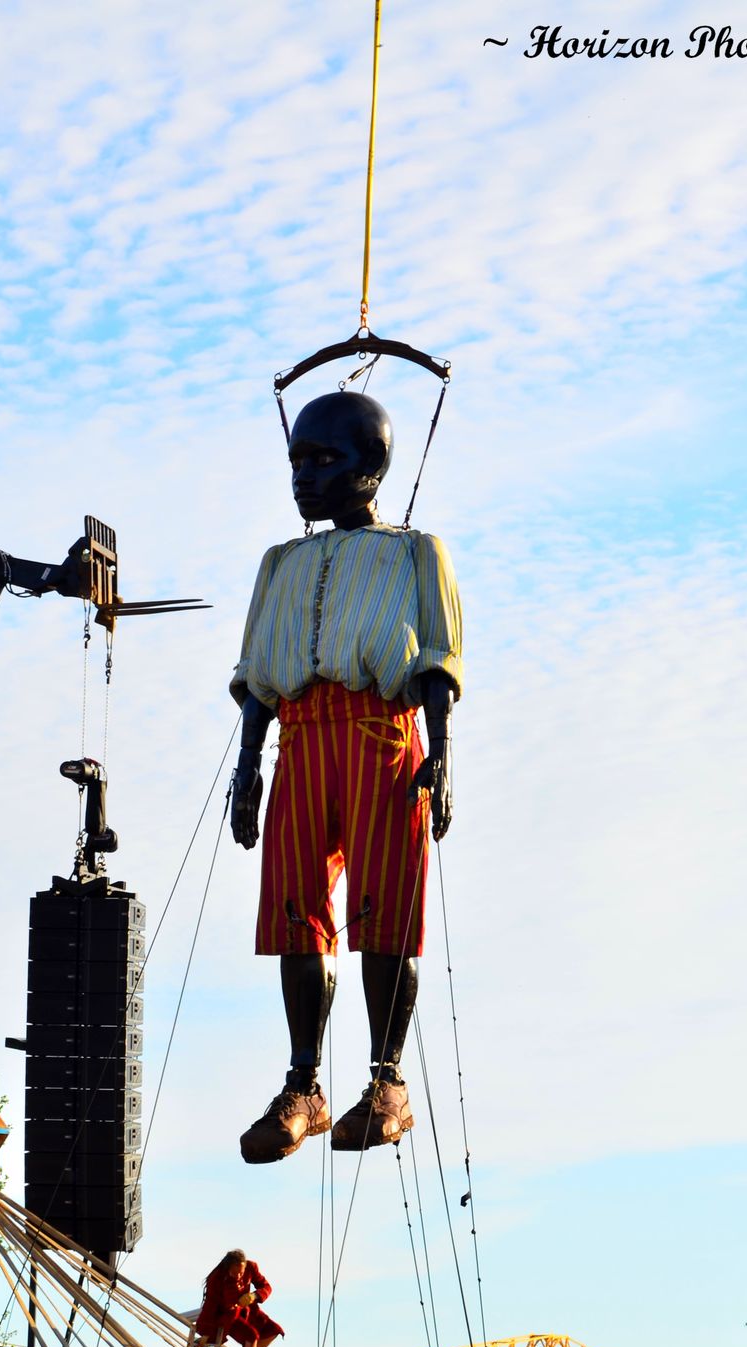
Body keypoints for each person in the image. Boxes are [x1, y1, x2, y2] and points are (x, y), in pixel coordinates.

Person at [229, 389, 463, 1166]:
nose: (305, 476)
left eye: (323, 459)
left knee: (383, 908)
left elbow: (436, 659)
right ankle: (304, 1086)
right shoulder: (281, 564)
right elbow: (259, 672)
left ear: (369, 467)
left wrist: (443, 750)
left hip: (379, 736)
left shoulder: (413, 552)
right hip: (299, 744)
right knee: (297, 911)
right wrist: (247, 767)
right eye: (297, 460)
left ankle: (387, 1082)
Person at [183, 1251, 283, 1347]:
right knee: (252, 1335)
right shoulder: (216, 1278)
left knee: (274, 1330)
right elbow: (210, 1307)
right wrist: (206, 1333)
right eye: (234, 1273)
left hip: (248, 1309)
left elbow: (266, 1287)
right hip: (226, 1315)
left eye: (240, 1273)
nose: (238, 1276)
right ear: (228, 1268)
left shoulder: (251, 1267)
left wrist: (254, 1295)